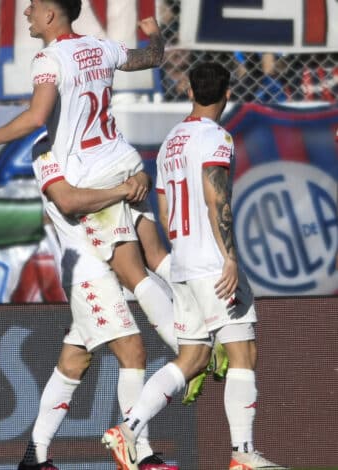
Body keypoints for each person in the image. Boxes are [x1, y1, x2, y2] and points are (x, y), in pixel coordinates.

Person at [0, 1, 180, 468]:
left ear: (52, 17)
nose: (25, 12)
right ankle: (140, 451)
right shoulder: (98, 51)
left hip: (98, 207)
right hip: (89, 246)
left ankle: (34, 455)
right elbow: (149, 59)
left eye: (33, 7)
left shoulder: (48, 73)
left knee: (75, 360)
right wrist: (156, 36)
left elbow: (36, 116)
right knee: (133, 342)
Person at [101, 62, 286, 470]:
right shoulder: (216, 137)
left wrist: (185, 247)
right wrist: (230, 257)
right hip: (212, 266)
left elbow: (165, 211)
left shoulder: (171, 142)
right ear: (226, 93)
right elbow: (215, 196)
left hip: (183, 263)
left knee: (193, 359)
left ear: (189, 90)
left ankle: (129, 428)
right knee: (243, 352)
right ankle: (242, 454)